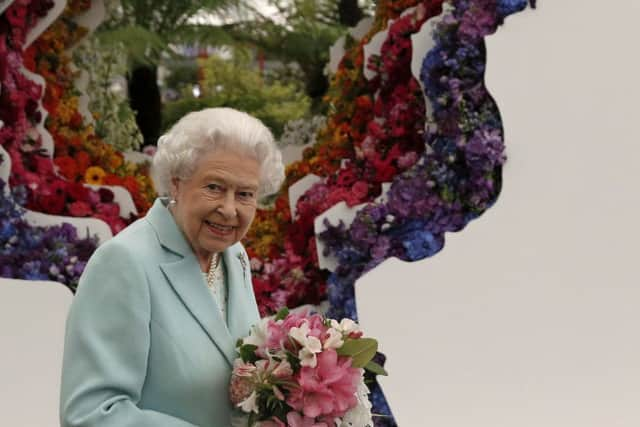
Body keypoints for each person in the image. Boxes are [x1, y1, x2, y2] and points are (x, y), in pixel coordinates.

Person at [60, 108, 284, 426]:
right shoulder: (124, 262)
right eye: (215, 187)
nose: (229, 209)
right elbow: (92, 413)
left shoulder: (233, 255)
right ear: (176, 184)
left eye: (245, 194)